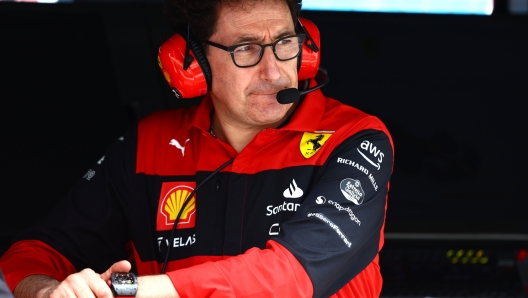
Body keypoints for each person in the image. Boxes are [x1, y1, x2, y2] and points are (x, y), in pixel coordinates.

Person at [0, 0, 394, 297]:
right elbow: (34, 253)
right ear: (193, 63)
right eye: (247, 49)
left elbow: (293, 273)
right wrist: (50, 292)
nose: (274, 71)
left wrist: (136, 290)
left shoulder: (355, 138)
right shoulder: (147, 145)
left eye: (285, 43)